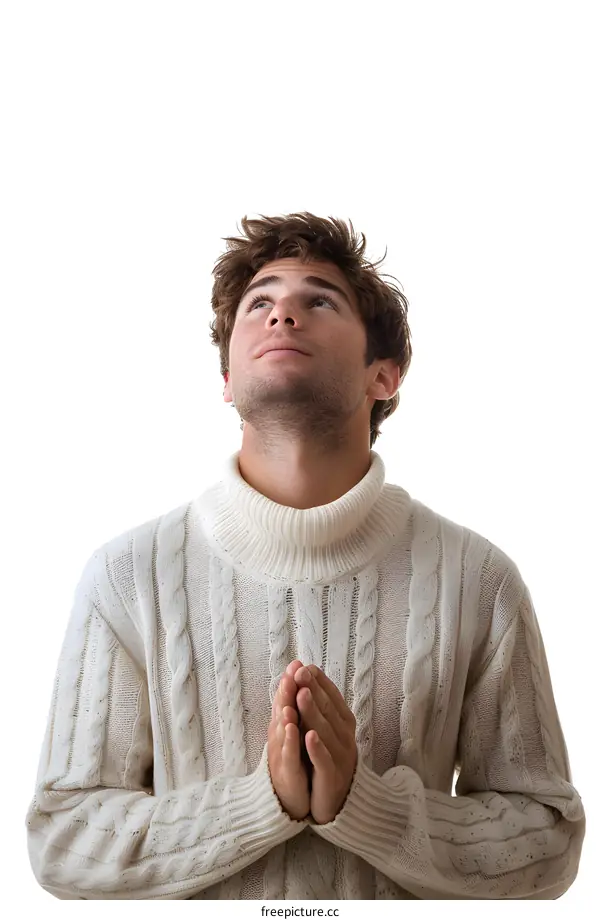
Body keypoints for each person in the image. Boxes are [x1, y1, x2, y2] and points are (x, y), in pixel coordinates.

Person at [25, 212, 585, 900]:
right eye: (260, 302)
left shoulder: (479, 579)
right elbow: (64, 839)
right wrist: (264, 804)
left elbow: (547, 840)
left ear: (385, 375)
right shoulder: (126, 577)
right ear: (227, 379)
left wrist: (365, 806)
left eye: (318, 299)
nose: (283, 313)